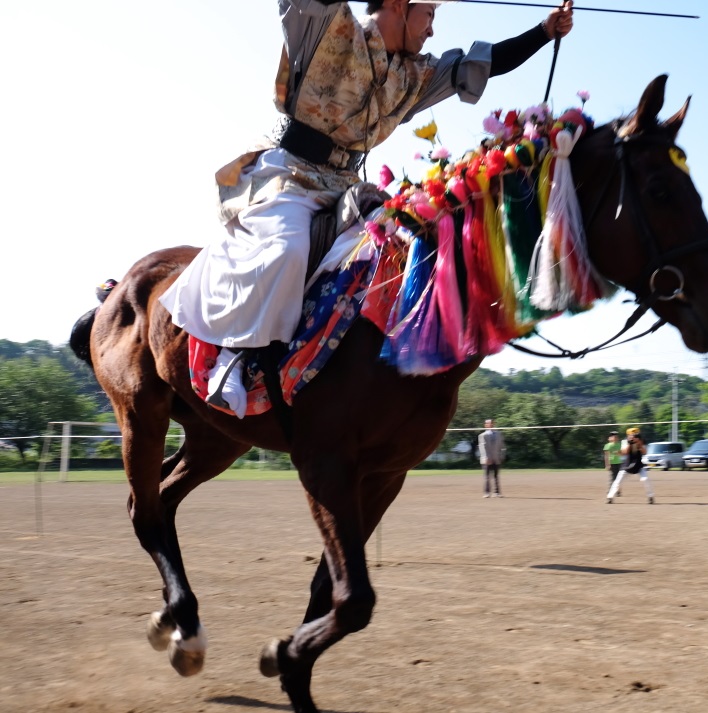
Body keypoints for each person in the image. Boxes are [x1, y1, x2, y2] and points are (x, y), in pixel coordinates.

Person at [159, 0, 576, 417]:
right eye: (429, 14)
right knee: (286, 249)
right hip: (288, 175)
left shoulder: (417, 73)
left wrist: (543, 31)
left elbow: (480, 64)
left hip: (347, 189)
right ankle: (234, 356)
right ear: (397, 5)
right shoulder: (328, 23)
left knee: (401, 249)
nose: (432, 29)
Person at [607, 427, 655, 505]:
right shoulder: (625, 442)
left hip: (638, 466)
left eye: (635, 434)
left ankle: (650, 497)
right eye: (631, 434)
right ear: (628, 435)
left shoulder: (641, 441)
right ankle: (610, 497)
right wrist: (630, 443)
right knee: (618, 482)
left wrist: (639, 444)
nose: (633, 436)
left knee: (645, 479)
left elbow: (645, 452)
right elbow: (624, 452)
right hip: (627, 466)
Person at [478, 419, 505, 497]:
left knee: (496, 476)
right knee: (487, 477)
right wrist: (486, 457)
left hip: (496, 458)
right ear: (485, 425)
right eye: (488, 423)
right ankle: (486, 492)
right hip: (487, 459)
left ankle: (497, 492)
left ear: (493, 424)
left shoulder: (499, 434)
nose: (490, 424)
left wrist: (502, 456)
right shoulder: (482, 435)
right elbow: (482, 447)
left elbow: (502, 446)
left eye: (491, 423)